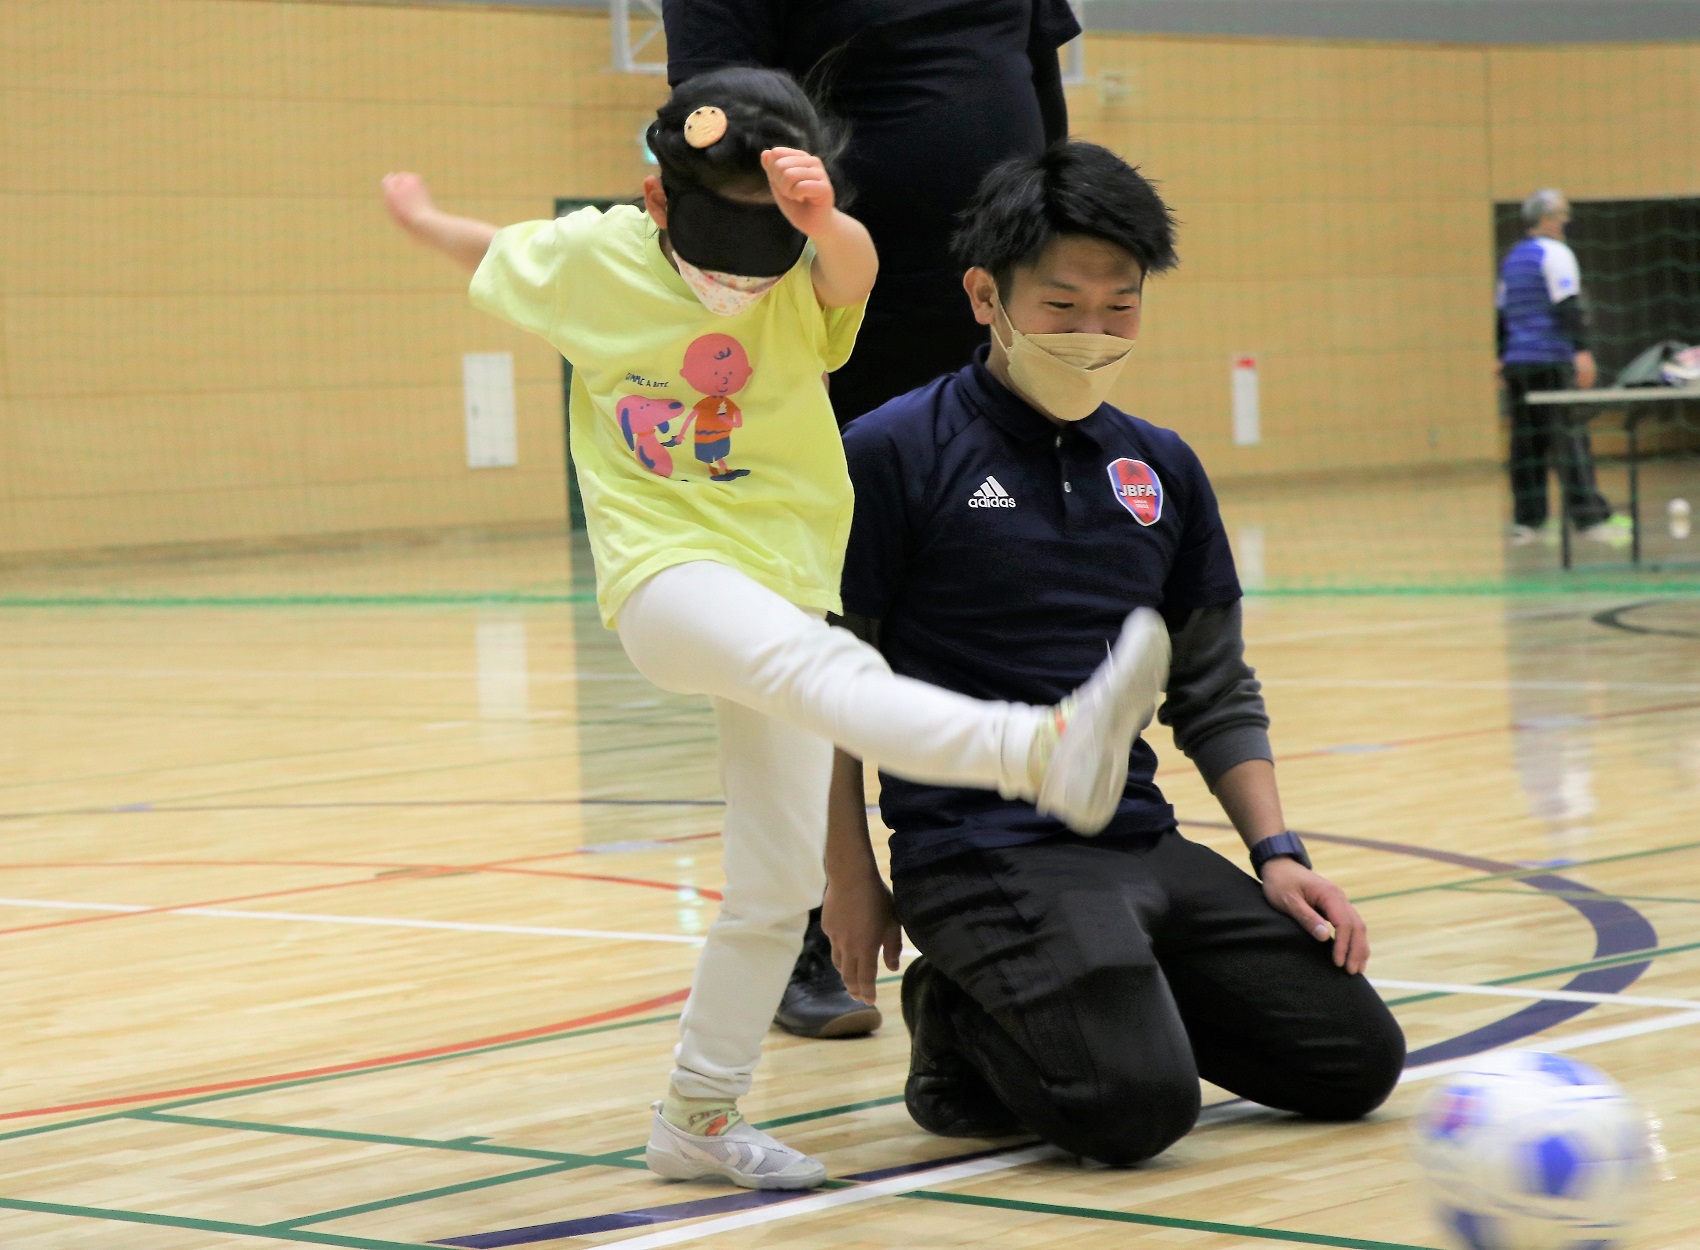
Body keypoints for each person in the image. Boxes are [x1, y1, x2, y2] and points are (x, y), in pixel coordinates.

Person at [382, 69, 1171, 1190]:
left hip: (783, 578)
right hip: (665, 575)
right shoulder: (591, 256)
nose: (734, 277)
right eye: (714, 245)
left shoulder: (805, 267)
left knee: (774, 880)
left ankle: (696, 1115)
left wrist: (821, 220)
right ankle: (1035, 748)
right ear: (655, 202)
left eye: (765, 245)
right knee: (826, 666)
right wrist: (423, 220)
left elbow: (858, 268)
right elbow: (493, 254)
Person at [820, 142, 1406, 1165]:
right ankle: (954, 1013)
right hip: (977, 851)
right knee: (1132, 1108)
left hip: (1138, 841)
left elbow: (1215, 686)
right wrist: (847, 871)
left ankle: (1100, 986)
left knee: (1352, 1061)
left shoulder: (1162, 465)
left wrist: (1278, 854)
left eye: (1120, 306)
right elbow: (826, 684)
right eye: (1061, 305)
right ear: (983, 296)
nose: (1092, 331)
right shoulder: (890, 452)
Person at [663, 0, 1082, 1040]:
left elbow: (1039, 84)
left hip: (985, 312)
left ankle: (1000, 893)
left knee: (994, 582)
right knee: (807, 615)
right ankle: (806, 910)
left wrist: (1057, 254)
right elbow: (714, 120)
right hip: (826, 316)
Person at [1496, 189, 1631, 549]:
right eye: (1561, 214)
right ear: (1543, 218)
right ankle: (1589, 518)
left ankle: (1528, 521)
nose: (1566, 221)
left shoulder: (1511, 258)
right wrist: (1582, 352)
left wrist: (1500, 354)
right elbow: (1569, 306)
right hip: (1551, 360)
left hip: (1518, 363)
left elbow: (1502, 312)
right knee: (1570, 439)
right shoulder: (1556, 253)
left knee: (1525, 444)